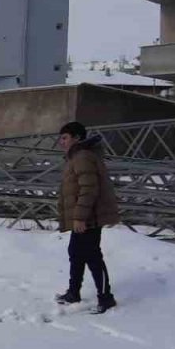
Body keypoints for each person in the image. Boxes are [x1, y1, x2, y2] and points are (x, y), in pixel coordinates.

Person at [55, 122, 120, 314]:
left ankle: (106, 298)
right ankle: (73, 292)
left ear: (77, 138)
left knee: (92, 256)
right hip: (83, 216)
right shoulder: (76, 157)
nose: (61, 142)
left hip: (89, 217)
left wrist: (80, 217)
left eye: (65, 138)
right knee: (75, 252)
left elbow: (89, 190)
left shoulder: (82, 156)